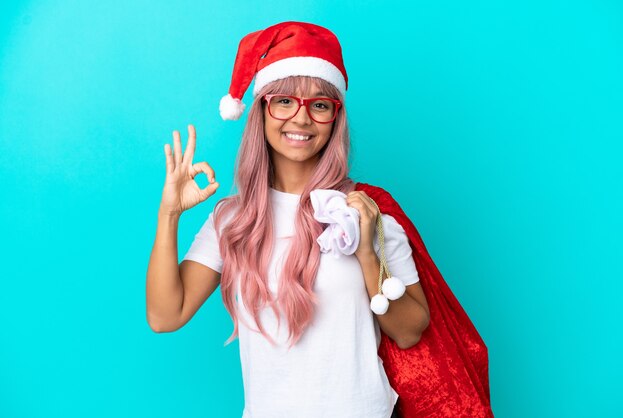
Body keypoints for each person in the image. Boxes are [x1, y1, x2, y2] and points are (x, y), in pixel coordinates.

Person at [146, 21, 430, 418]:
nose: (301, 119)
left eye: (319, 105)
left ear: (335, 118)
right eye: (284, 101)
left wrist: (367, 254)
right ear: (261, 110)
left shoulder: (365, 211)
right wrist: (169, 214)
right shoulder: (232, 219)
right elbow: (164, 315)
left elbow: (409, 330)